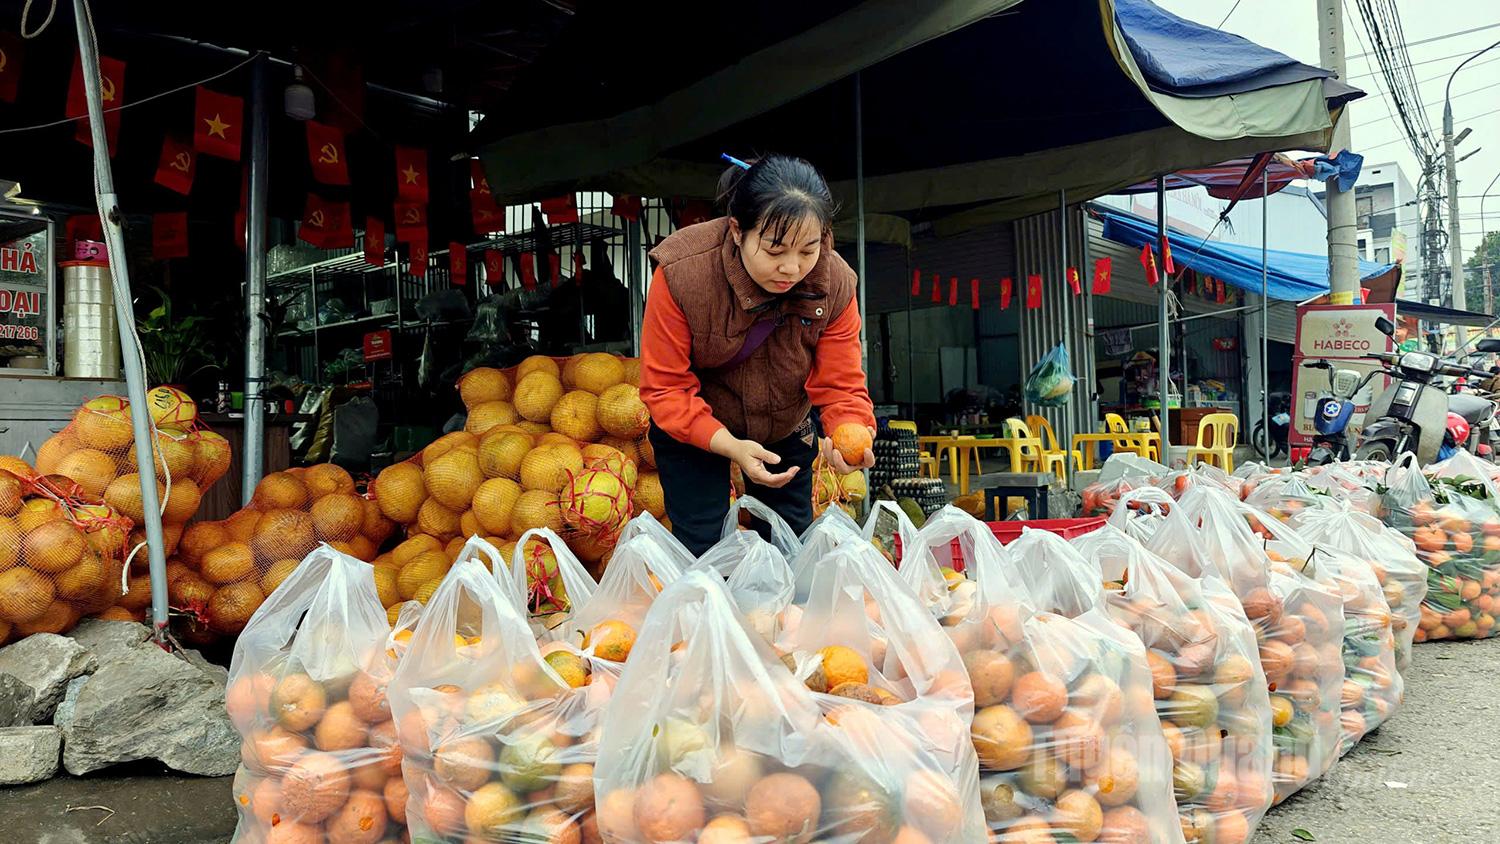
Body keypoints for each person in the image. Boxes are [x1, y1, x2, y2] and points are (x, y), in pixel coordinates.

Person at [639, 154, 876, 556]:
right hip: (696, 426)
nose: (791, 267)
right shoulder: (683, 271)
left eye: (807, 250)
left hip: (785, 425)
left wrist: (849, 427)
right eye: (775, 249)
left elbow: (842, 382)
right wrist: (730, 446)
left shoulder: (835, 283)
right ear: (737, 230)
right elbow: (665, 387)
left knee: (788, 547)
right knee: (703, 549)